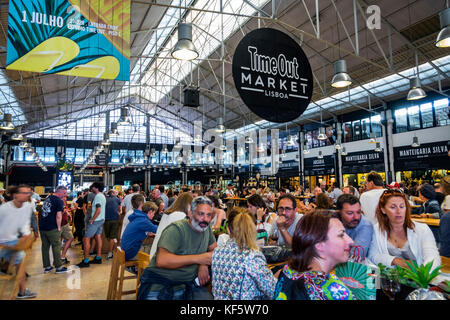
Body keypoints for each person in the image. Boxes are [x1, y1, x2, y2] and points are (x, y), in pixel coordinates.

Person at [137, 196, 217, 300]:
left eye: (208, 215)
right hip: (160, 282)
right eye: (200, 214)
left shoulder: (206, 229)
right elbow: (162, 260)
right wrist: (199, 258)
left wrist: (203, 264)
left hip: (186, 284)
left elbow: (215, 250)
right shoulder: (176, 229)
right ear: (190, 213)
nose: (205, 219)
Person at [273, 210, 354, 300]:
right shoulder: (337, 293)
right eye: (341, 235)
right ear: (319, 245)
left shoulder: (288, 271)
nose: (350, 241)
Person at [212, 208, 277, 300]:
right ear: (253, 230)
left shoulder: (216, 252)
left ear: (228, 230)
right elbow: (274, 291)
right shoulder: (253, 257)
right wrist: (276, 277)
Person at [368, 189, 441, 269]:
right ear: (383, 210)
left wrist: (424, 275)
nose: (399, 211)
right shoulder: (376, 229)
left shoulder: (422, 229)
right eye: (393, 207)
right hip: (391, 277)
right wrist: (396, 260)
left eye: (402, 206)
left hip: (420, 276)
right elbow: (373, 255)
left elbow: (432, 257)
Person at [0, 185, 37, 298]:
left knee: (21, 267)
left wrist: (26, 233)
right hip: (3, 243)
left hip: (15, 242)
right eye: (24, 193)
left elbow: (24, 223)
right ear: (15, 195)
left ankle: (22, 291)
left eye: (29, 193)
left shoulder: (27, 207)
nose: (28, 195)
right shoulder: (4, 208)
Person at [149, 192, 193, 260]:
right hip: (163, 259)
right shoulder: (180, 215)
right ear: (187, 204)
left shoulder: (168, 213)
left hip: (155, 255)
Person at [38, 186, 69, 274]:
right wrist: (59, 227)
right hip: (52, 227)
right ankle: (59, 267)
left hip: (43, 226)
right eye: (64, 193)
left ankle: (47, 266)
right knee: (56, 246)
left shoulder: (48, 198)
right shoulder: (58, 201)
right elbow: (59, 216)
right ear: (60, 192)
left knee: (45, 246)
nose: (65, 195)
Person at [336, 194, 373, 261]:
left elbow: (355, 258)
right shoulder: (332, 221)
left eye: (358, 212)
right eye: (350, 213)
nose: (356, 217)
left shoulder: (365, 226)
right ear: (339, 213)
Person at [77, 182, 106, 268]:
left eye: (92, 187)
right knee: (97, 236)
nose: (91, 188)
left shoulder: (97, 197)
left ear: (96, 187)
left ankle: (86, 261)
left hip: (96, 220)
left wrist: (92, 220)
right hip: (101, 219)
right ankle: (98, 257)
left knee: (86, 238)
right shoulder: (102, 196)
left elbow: (98, 210)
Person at [121, 195, 158, 261]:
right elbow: (157, 229)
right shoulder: (143, 220)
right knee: (157, 251)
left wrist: (146, 233)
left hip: (126, 250)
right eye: (154, 213)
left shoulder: (137, 216)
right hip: (131, 253)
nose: (154, 215)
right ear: (150, 212)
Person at [104, 189, 121, 260]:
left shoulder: (105, 199)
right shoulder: (117, 199)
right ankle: (113, 251)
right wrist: (119, 215)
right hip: (115, 219)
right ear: (113, 193)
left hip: (106, 220)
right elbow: (119, 210)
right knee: (112, 237)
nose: (117, 193)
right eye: (116, 192)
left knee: (109, 237)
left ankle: (112, 252)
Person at [60, 199, 74, 264]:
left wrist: (68, 214)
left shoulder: (63, 201)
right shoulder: (59, 201)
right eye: (64, 194)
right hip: (61, 224)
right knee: (70, 238)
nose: (65, 197)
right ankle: (62, 257)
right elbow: (58, 213)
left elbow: (64, 210)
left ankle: (61, 257)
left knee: (66, 239)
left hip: (64, 223)